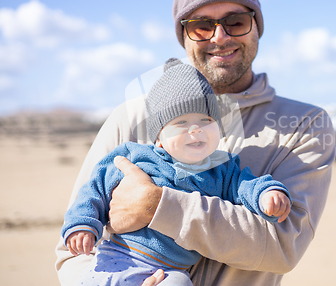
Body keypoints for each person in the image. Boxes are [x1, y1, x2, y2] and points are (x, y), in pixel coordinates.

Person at [55, 0, 336, 286]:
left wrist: (157, 205)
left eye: (235, 21)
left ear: (256, 25)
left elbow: (282, 247)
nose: (219, 37)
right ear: (183, 35)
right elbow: (72, 250)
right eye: (202, 25)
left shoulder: (305, 125)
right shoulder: (131, 116)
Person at [61, 60, 291, 286]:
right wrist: (83, 224)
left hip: (170, 271)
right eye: (181, 122)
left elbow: (247, 185)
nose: (196, 129)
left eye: (206, 120)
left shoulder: (223, 169)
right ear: (159, 138)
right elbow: (95, 188)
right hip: (118, 257)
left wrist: (266, 194)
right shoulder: (136, 156)